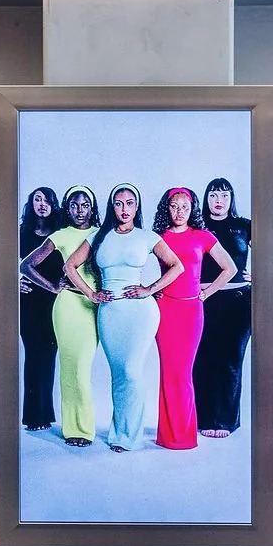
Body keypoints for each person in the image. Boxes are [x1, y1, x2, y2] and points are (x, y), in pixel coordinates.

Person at [65, 184, 183, 452]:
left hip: (141, 313)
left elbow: (177, 266)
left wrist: (149, 289)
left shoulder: (147, 236)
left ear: (137, 206)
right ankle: (119, 433)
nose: (124, 209)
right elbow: (69, 266)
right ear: (112, 207)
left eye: (130, 203)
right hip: (110, 313)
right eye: (118, 203)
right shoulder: (98, 236)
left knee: (131, 371)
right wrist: (91, 294)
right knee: (119, 373)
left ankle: (130, 436)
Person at [152, 188, 237, 449]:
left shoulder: (203, 236)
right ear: (167, 208)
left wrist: (206, 293)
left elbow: (230, 268)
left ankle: (184, 434)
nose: (179, 212)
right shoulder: (158, 237)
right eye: (174, 206)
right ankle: (167, 434)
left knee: (183, 373)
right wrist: (151, 290)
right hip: (165, 310)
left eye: (185, 207)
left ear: (192, 209)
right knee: (168, 372)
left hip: (191, 311)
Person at [20, 184, 99, 447]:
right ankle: (75, 429)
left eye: (85, 205)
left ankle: (84, 426)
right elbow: (26, 265)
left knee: (81, 369)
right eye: (74, 205)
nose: (80, 210)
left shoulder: (101, 233)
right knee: (69, 368)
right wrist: (53, 287)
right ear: (67, 208)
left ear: (92, 208)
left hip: (94, 306)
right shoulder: (61, 235)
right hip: (67, 306)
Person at [192, 177, 252, 438]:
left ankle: (225, 420)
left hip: (237, 301)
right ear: (206, 198)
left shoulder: (244, 226)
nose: (219, 201)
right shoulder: (198, 226)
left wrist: (259, 274)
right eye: (214, 195)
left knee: (231, 360)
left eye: (224, 196)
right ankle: (203, 418)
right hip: (202, 299)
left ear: (231, 199)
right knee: (202, 359)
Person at [17, 187, 62, 431]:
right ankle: (34, 417)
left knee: (49, 356)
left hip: (54, 301)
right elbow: (8, 263)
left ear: (53, 205)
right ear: (31, 204)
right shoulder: (22, 233)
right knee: (33, 356)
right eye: (37, 199)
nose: (42, 204)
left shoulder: (60, 233)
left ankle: (45, 413)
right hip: (29, 301)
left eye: (46, 200)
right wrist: (15, 281)